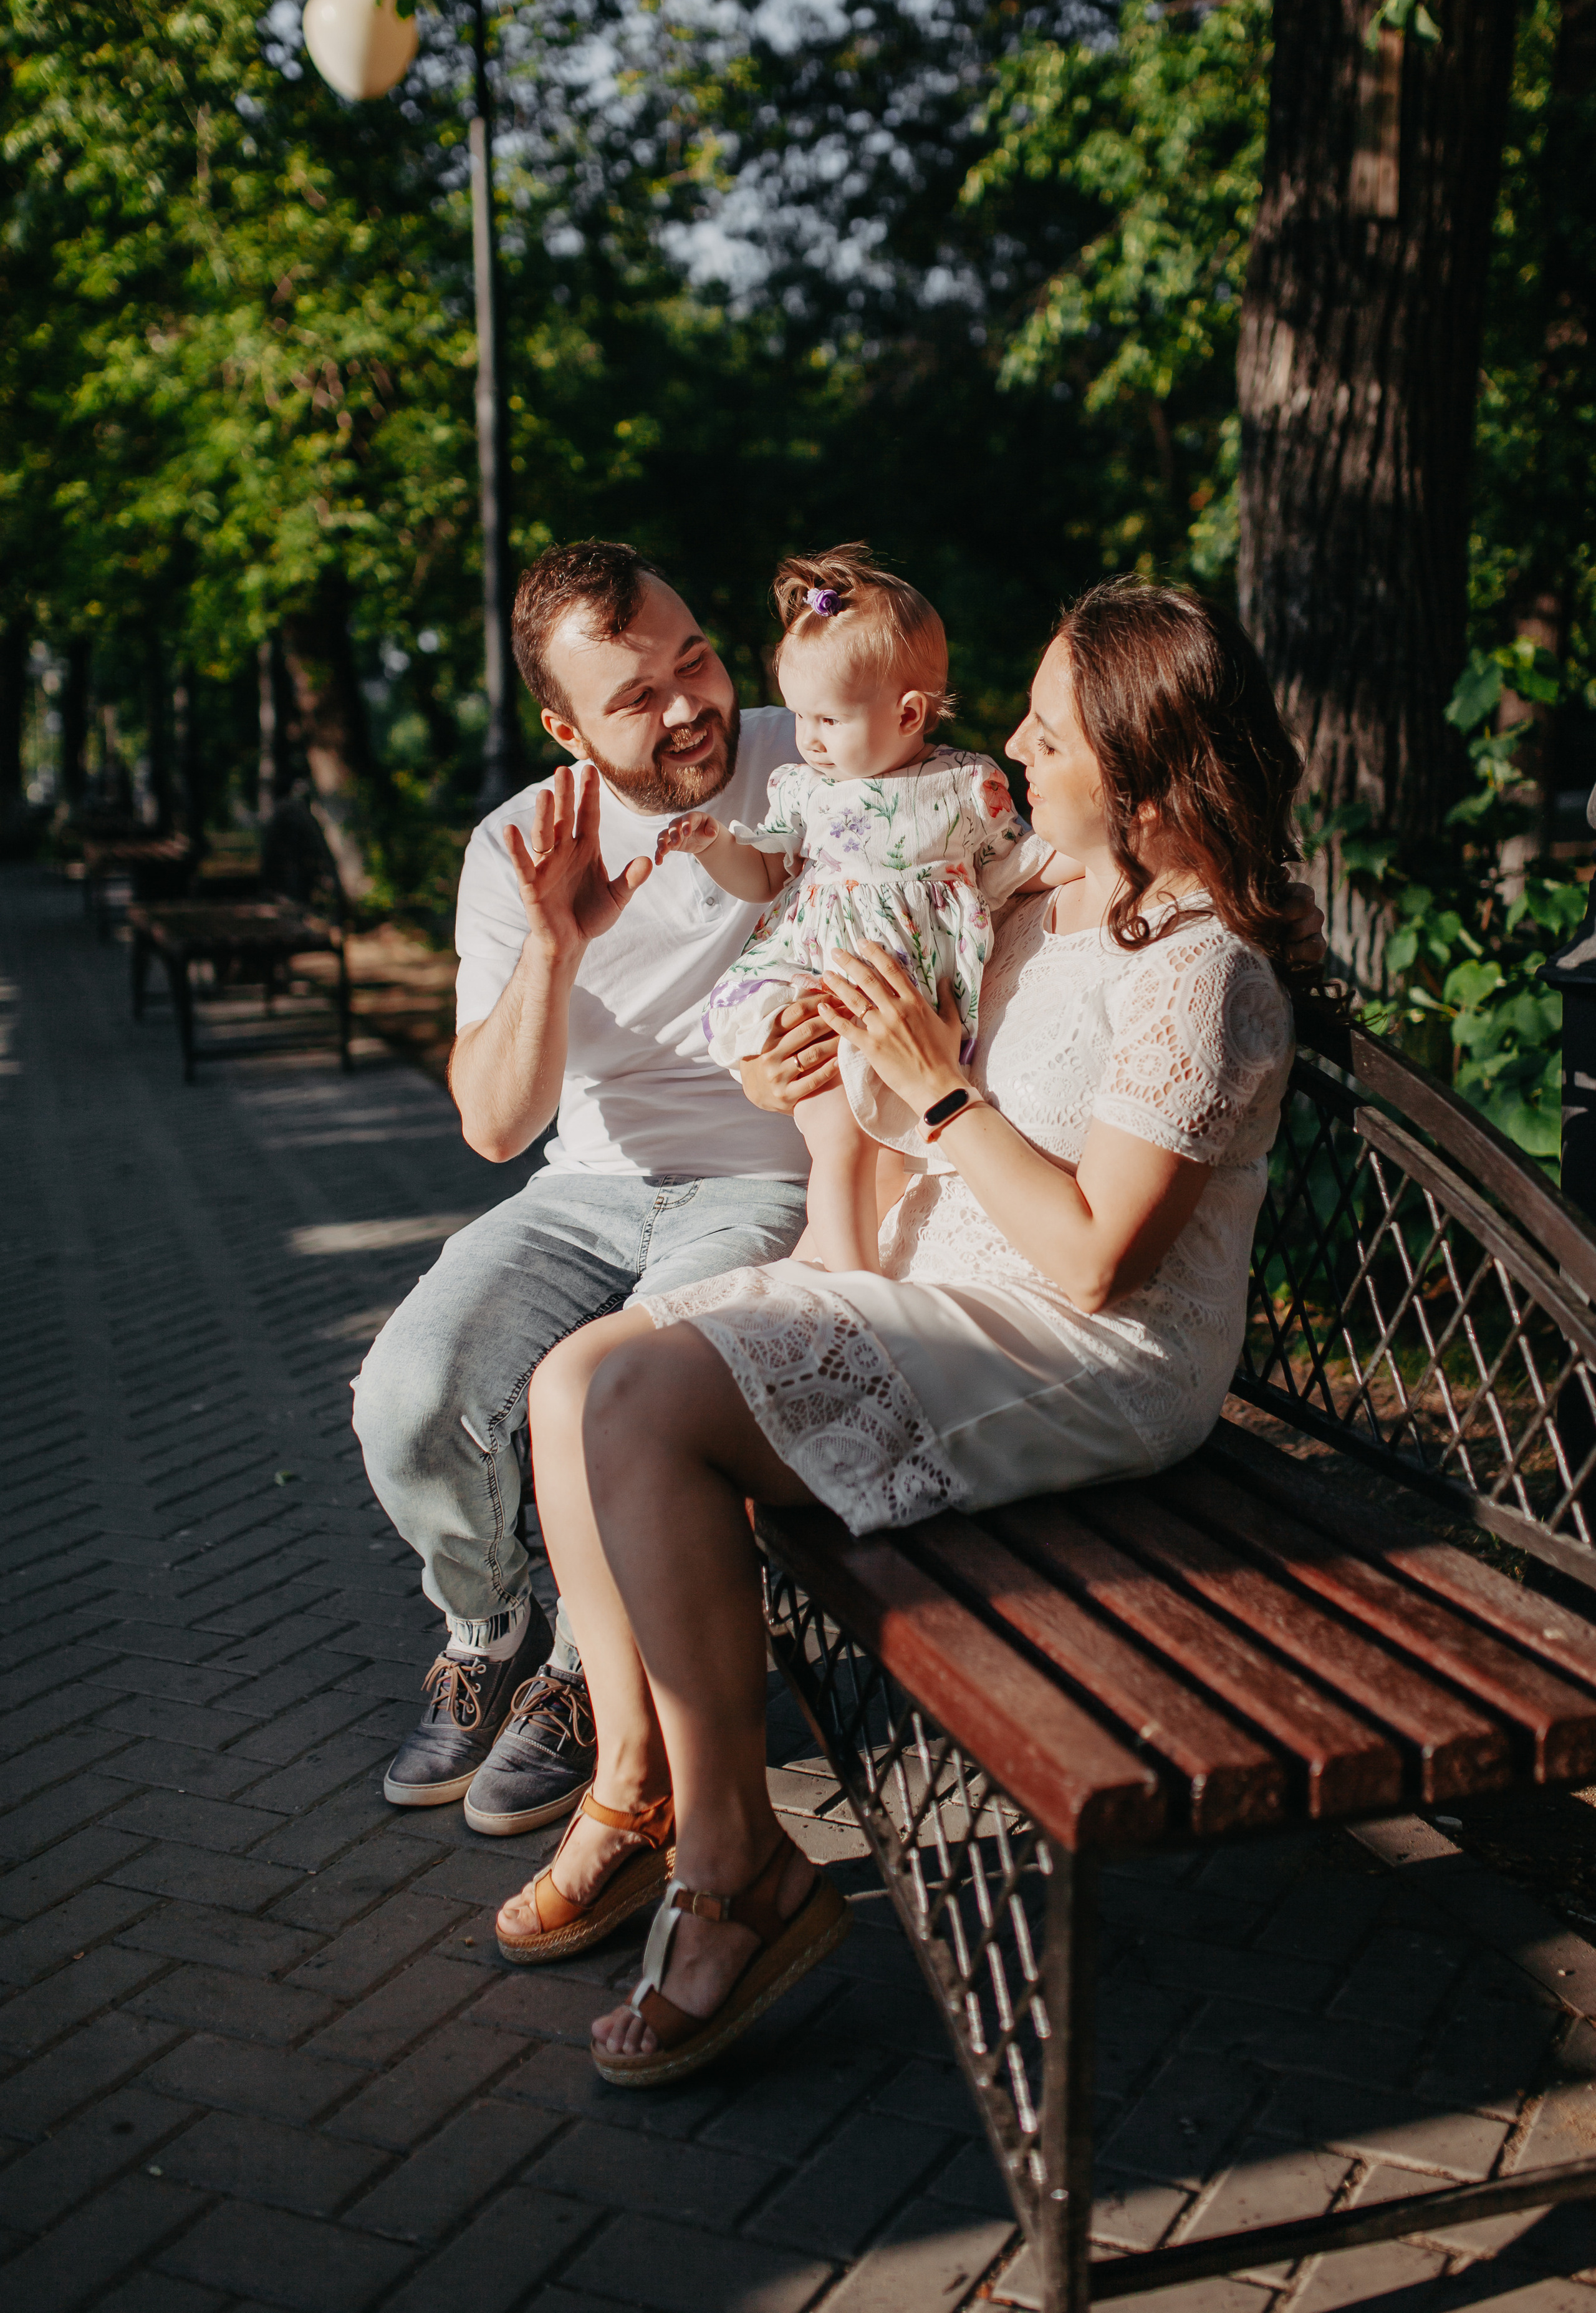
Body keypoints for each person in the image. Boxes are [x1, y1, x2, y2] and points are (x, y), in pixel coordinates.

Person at [490, 579, 1304, 2088]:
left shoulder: (1207, 971)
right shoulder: (1028, 886)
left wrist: (936, 1089)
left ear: (1135, 769)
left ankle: (737, 1873)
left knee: (639, 1405)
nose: (1008, 743)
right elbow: (870, 1021)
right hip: (941, 1291)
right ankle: (636, 1782)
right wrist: (803, 1055)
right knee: (565, 1381)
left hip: (1084, 1351)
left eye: (1046, 730)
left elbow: (1086, 1261)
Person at [353, 542, 841, 1833]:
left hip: (759, 1184)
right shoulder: (519, 842)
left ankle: (582, 1673)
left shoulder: (818, 754)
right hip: (584, 1191)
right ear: (568, 728)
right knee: (406, 1403)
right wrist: (555, 952)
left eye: (694, 660)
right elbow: (494, 1126)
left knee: (604, 1411)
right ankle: (487, 1624)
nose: (688, 706)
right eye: (635, 697)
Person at [657, 544, 1075, 1272]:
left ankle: (843, 1278)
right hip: (820, 983)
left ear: (908, 712)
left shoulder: (966, 787)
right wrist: (710, 846)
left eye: (825, 719)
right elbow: (762, 875)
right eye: (798, 716)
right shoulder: (805, 790)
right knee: (837, 1138)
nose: (806, 738)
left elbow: (1023, 863)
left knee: (877, 1149)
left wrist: (1130, 854)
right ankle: (847, 1287)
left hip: (902, 1000)